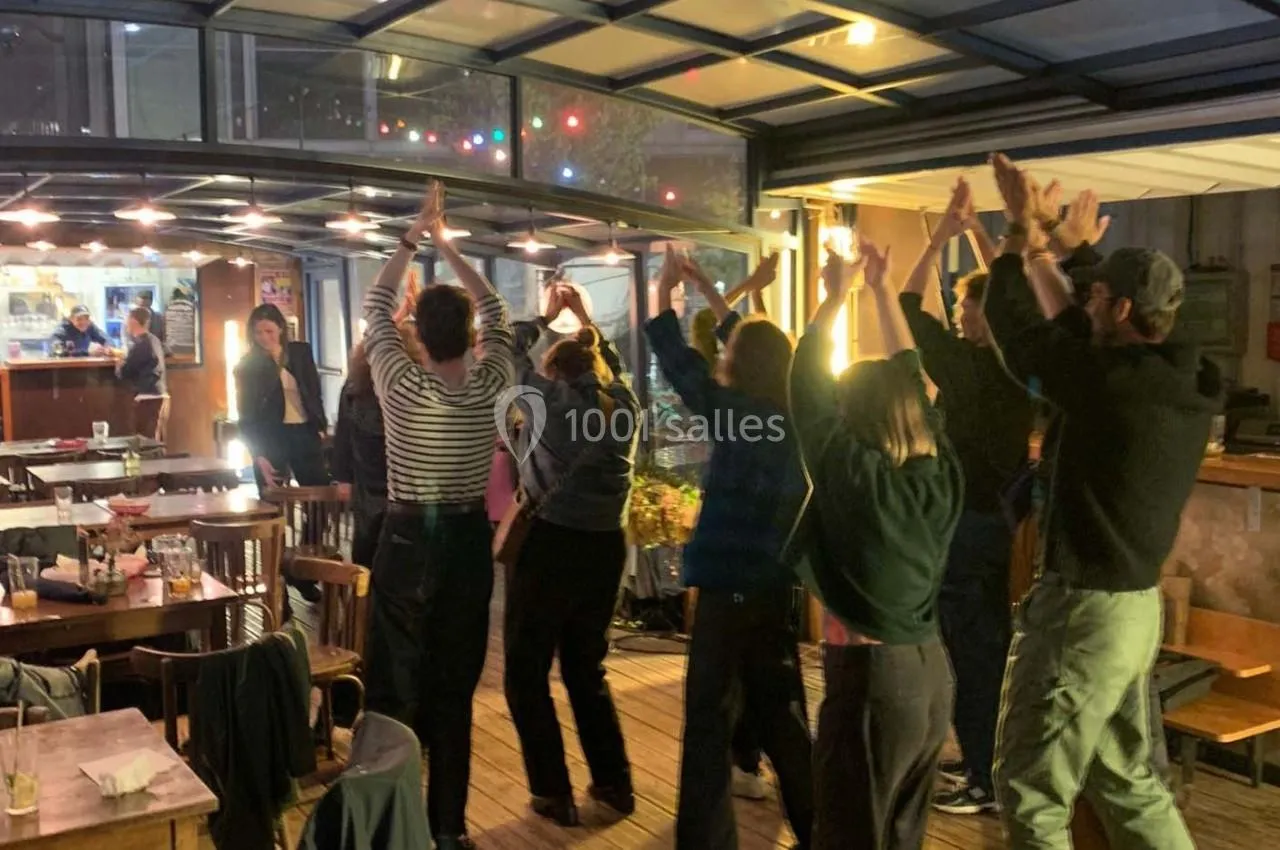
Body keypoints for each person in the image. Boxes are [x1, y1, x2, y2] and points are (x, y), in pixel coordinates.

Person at [985, 154, 1219, 850]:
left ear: (1118, 310)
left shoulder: (1109, 385)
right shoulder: (1181, 376)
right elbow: (1081, 325)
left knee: (1030, 793)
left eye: (1096, 297)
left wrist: (1018, 236)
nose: (1084, 302)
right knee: (1127, 781)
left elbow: (1018, 332)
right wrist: (1071, 248)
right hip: (1133, 612)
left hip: (1083, 614)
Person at [790, 241, 962, 850]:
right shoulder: (939, 472)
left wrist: (836, 297)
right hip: (929, 675)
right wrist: (881, 291)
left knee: (849, 836)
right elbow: (915, 377)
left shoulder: (856, 478)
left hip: (872, 682)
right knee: (901, 837)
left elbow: (805, 383)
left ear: (854, 416)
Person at [361, 181, 514, 850]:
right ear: (472, 336)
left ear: (417, 336)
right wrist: (448, 246)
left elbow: (374, 304)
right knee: (453, 692)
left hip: (405, 538)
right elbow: (498, 309)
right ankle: (448, 830)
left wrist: (413, 236)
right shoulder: (492, 383)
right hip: (467, 540)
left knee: (394, 691)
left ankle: (389, 830)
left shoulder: (398, 382)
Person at [648, 246, 814, 850]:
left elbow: (680, 364)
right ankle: (821, 829)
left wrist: (664, 292)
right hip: (773, 585)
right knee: (784, 719)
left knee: (709, 720)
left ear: (739, 364)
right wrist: (709, 294)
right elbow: (753, 346)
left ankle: (707, 841)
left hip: (727, 587)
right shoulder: (800, 414)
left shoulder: (736, 415)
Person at [898, 178, 1031, 816]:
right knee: (988, 648)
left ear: (985, 316)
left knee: (972, 651)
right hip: (999, 521)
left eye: (965, 306)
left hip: (968, 526)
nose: (958, 313)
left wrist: (941, 242)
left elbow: (906, 303)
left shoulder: (969, 368)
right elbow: (1010, 300)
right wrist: (977, 231)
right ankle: (988, 761)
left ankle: (984, 778)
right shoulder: (1016, 370)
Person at [503, 284, 639, 827]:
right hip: (606, 547)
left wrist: (544, 319)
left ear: (555, 371)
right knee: (586, 669)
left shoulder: (549, 404)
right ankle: (614, 783)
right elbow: (618, 369)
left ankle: (553, 792)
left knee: (527, 670)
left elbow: (508, 351)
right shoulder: (625, 408)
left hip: (551, 545)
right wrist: (586, 322)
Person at [234, 302, 328, 605]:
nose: (264, 337)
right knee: (273, 511)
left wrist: (320, 426)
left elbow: (313, 390)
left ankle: (304, 572)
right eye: (258, 332)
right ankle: (279, 587)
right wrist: (258, 455)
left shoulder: (300, 353)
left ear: (281, 329)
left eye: (269, 331)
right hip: (270, 439)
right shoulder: (247, 366)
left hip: (303, 433)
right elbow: (246, 416)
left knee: (320, 502)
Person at [114, 306, 169, 441]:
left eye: (127, 320)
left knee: (146, 441)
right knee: (157, 439)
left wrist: (119, 365)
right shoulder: (154, 340)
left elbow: (125, 373)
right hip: (161, 394)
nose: (126, 324)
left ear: (133, 321)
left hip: (148, 397)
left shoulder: (140, 345)